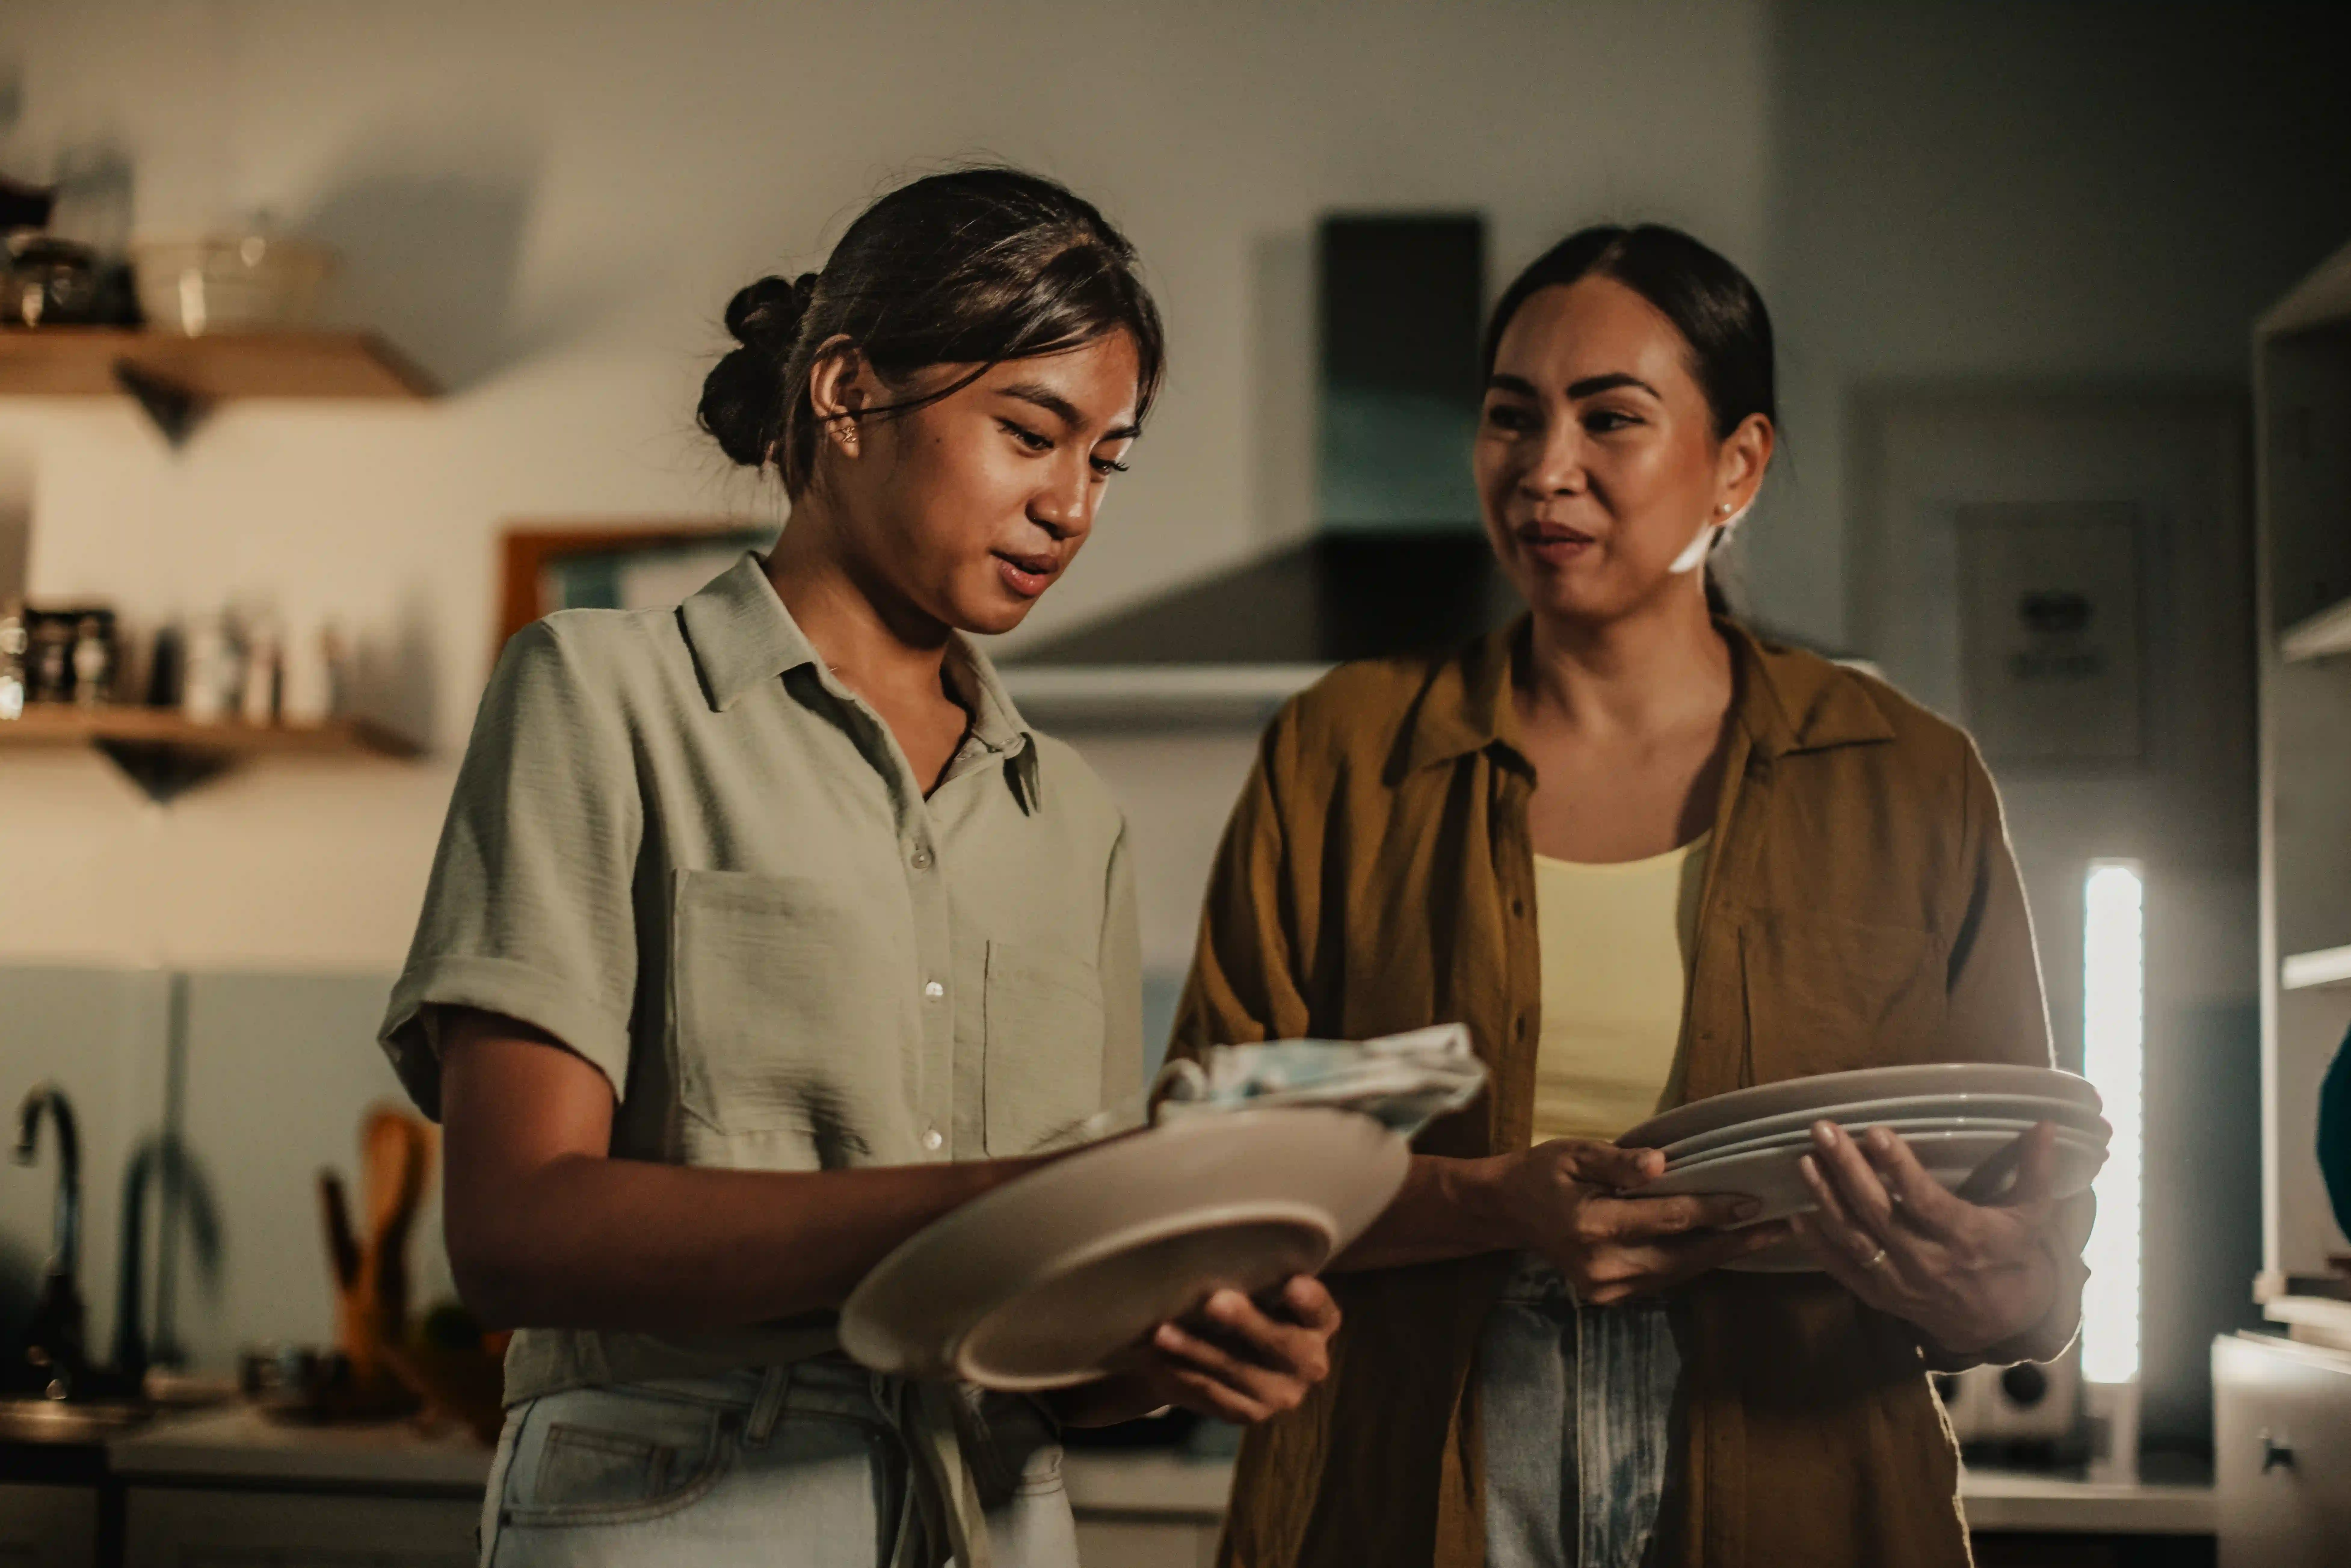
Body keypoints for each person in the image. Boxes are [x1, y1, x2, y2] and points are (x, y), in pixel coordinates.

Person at [377, 167, 1341, 1568]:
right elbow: (517, 1229)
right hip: (685, 1508)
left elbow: (1044, 1347)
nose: (1072, 505)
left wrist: (1171, 1339)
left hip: (999, 1517)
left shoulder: (1071, 816)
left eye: (1106, 461)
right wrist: (993, 1209)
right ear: (843, 395)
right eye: (1031, 433)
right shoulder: (602, 696)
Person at [1171, 224, 2093, 1568]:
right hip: (1408, 1477)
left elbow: (2033, 1227)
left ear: (1739, 464)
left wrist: (2004, 1292)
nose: (1545, 470)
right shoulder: (1342, 755)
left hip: (1796, 1475)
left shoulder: (1906, 779)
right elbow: (1203, 1164)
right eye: (1509, 418)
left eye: (1610, 418)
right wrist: (1493, 1203)